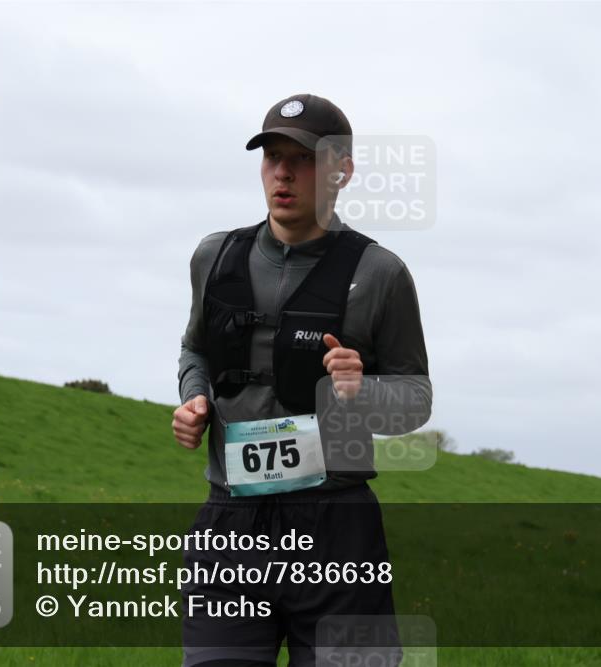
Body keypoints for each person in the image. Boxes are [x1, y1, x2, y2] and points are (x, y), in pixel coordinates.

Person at [173, 93, 431, 667]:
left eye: (303, 159)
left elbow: (416, 399)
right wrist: (195, 398)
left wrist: (363, 391)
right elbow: (196, 349)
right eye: (272, 157)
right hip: (230, 526)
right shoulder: (213, 257)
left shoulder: (381, 274)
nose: (283, 173)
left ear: (343, 171)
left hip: (337, 531)